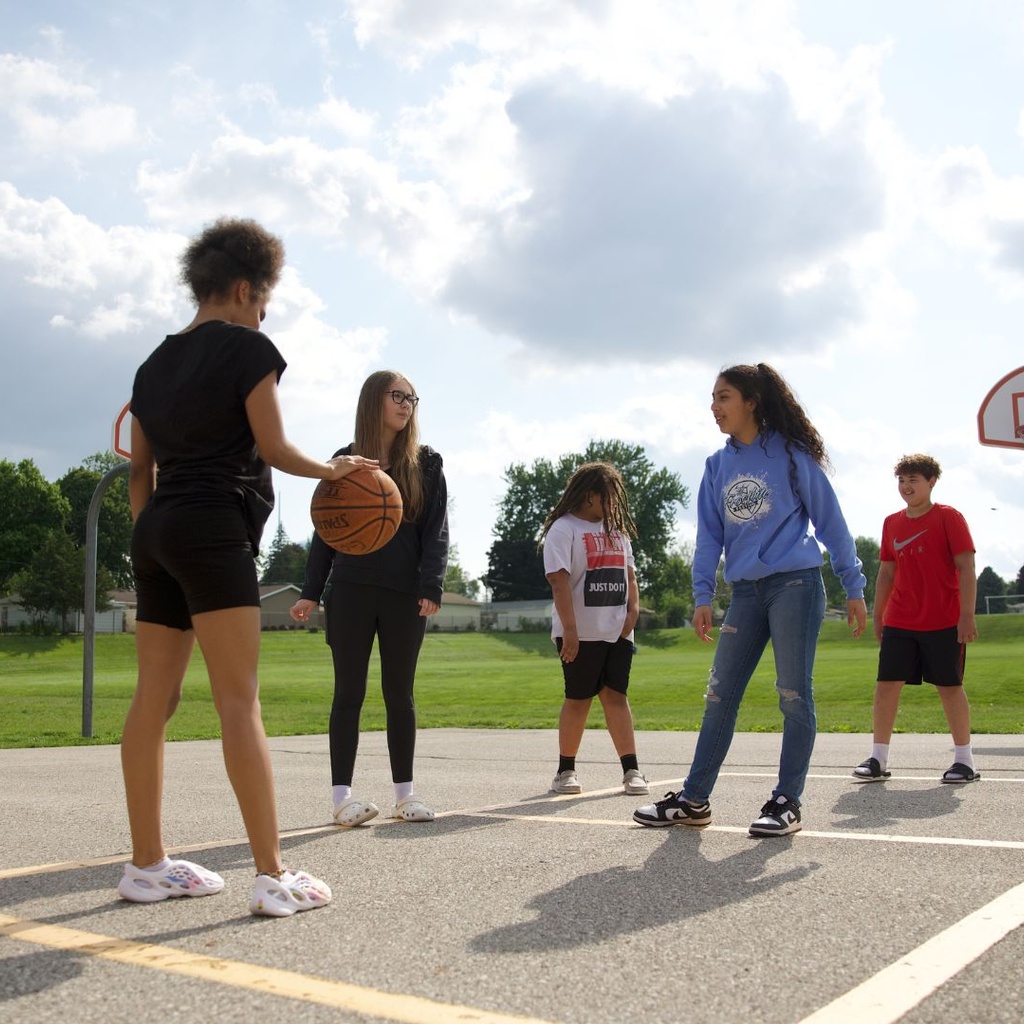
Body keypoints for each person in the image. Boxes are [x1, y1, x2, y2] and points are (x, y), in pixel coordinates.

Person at [123, 217, 376, 917]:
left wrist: (151, 532)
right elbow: (272, 445)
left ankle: (147, 866)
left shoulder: (151, 365)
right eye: (265, 300)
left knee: (155, 700)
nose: (265, 314)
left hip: (158, 531)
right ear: (242, 288)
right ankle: (273, 877)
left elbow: (139, 471)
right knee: (239, 701)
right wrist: (337, 467)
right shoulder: (246, 347)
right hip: (211, 529)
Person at [634, 363, 867, 836]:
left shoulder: (790, 454)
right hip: (744, 592)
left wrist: (854, 584)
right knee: (719, 695)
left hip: (795, 585)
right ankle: (695, 799)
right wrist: (703, 594)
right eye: (713, 398)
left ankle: (786, 802)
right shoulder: (717, 466)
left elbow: (831, 521)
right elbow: (708, 537)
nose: (714, 407)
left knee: (793, 693)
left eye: (724, 397)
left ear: (752, 401)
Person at [290, 371, 449, 826]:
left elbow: (437, 530)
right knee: (349, 694)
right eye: (397, 396)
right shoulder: (344, 461)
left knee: (400, 694)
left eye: (412, 398)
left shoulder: (428, 462)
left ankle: (406, 796)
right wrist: (310, 592)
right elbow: (326, 531)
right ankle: (342, 799)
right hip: (352, 589)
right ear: (373, 400)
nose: (406, 404)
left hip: (404, 594)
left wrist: (431, 585)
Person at [852, 454, 979, 784]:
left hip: (943, 619)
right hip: (900, 619)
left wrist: (967, 615)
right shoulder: (892, 522)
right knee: (886, 687)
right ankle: (878, 758)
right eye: (902, 480)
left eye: (914, 480)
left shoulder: (948, 517)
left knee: (949, 687)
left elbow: (966, 567)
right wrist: (878, 614)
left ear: (932, 481)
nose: (906, 486)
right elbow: (886, 573)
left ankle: (964, 761)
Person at [540, 461, 649, 797]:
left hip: (616, 633)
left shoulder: (618, 532)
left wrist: (633, 609)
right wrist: (569, 631)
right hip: (580, 634)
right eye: (610, 496)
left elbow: (630, 576)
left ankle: (632, 770)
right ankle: (565, 771)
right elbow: (559, 582)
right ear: (590, 495)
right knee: (578, 700)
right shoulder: (563, 529)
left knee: (616, 697)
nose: (615, 504)